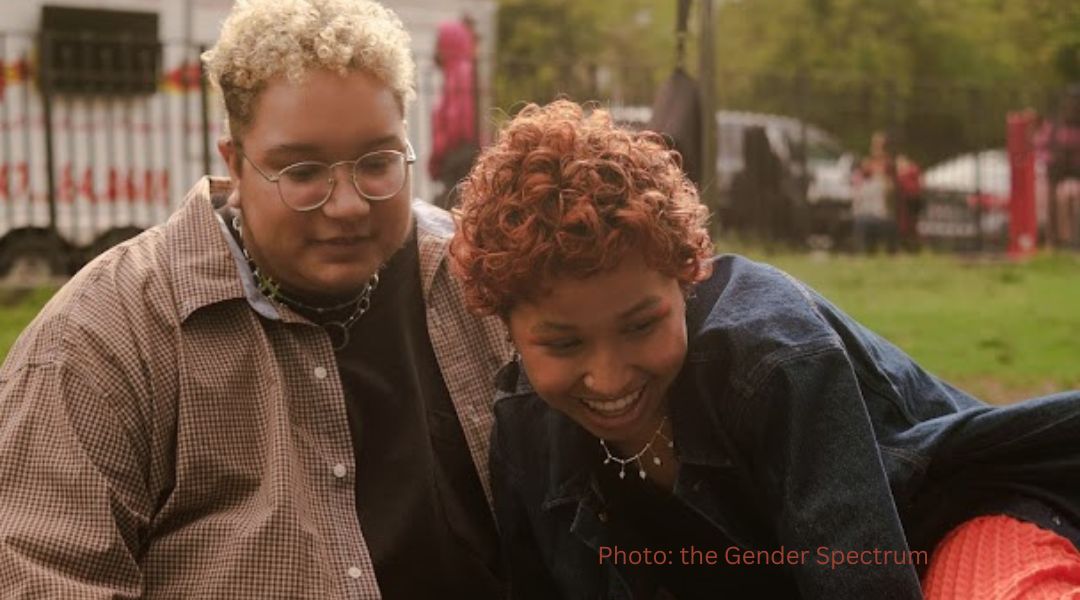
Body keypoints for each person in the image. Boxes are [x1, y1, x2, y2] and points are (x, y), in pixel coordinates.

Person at [449, 100, 1080, 599]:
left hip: (961, 527)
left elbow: (865, 581)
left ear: (686, 273)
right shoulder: (526, 425)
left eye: (641, 326)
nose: (609, 375)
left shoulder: (775, 359)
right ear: (504, 324)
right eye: (562, 343)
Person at [0, 0, 511, 597]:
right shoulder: (105, 335)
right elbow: (38, 573)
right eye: (301, 171)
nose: (346, 204)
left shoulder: (477, 281)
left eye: (377, 162)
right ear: (235, 165)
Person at [851, 131, 899, 253]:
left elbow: (891, 188)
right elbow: (859, 185)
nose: (876, 147)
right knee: (861, 220)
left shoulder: (888, 164)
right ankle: (862, 250)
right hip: (866, 205)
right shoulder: (867, 163)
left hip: (881, 208)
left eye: (879, 144)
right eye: (874, 144)